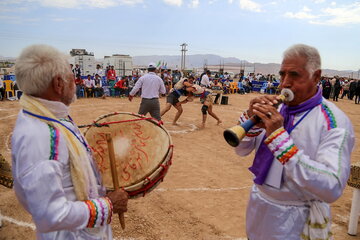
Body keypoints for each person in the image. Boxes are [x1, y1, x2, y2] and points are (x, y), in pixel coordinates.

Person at [234, 44, 354, 240]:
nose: (285, 83)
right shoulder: (276, 109)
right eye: (282, 75)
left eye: (294, 75)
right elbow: (241, 150)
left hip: (297, 221)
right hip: (258, 210)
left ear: (316, 77)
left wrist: (280, 140)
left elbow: (331, 187)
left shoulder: (334, 122)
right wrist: (251, 120)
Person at [12, 44, 128, 239]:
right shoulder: (42, 136)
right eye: (71, 78)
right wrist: (107, 204)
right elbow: (50, 215)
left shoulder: (49, 116)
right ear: (59, 83)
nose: (75, 83)